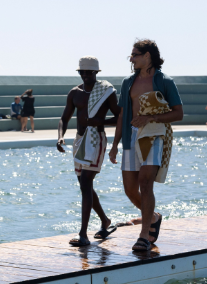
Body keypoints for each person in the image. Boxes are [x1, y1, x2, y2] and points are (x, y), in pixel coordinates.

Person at [109, 39, 183, 251]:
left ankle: (144, 236)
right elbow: (123, 113)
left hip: (153, 134)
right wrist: (114, 145)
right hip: (131, 136)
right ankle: (154, 217)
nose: (131, 59)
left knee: (145, 182)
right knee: (130, 190)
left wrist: (150, 119)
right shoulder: (128, 82)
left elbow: (178, 113)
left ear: (147, 56)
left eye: (135, 54)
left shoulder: (165, 81)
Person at [56, 57, 121, 247]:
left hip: (96, 140)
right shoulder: (74, 93)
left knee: (85, 183)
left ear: (96, 73)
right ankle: (105, 221)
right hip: (79, 140)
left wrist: (100, 122)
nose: (85, 76)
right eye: (82, 72)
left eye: (89, 72)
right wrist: (60, 136)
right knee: (85, 185)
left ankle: (83, 234)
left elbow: (120, 116)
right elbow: (64, 118)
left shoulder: (106, 91)